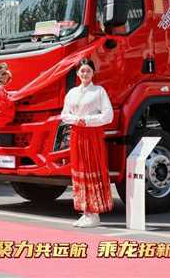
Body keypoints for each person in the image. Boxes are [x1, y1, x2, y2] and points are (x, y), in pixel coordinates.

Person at [61, 58, 114, 228]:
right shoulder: (72, 93)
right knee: (80, 169)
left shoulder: (99, 91)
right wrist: (77, 120)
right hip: (77, 134)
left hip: (92, 134)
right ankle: (85, 211)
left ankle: (95, 213)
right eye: (82, 71)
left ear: (93, 73)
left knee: (91, 168)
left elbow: (108, 115)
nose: (85, 74)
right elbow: (64, 115)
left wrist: (88, 120)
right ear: (77, 73)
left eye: (88, 71)